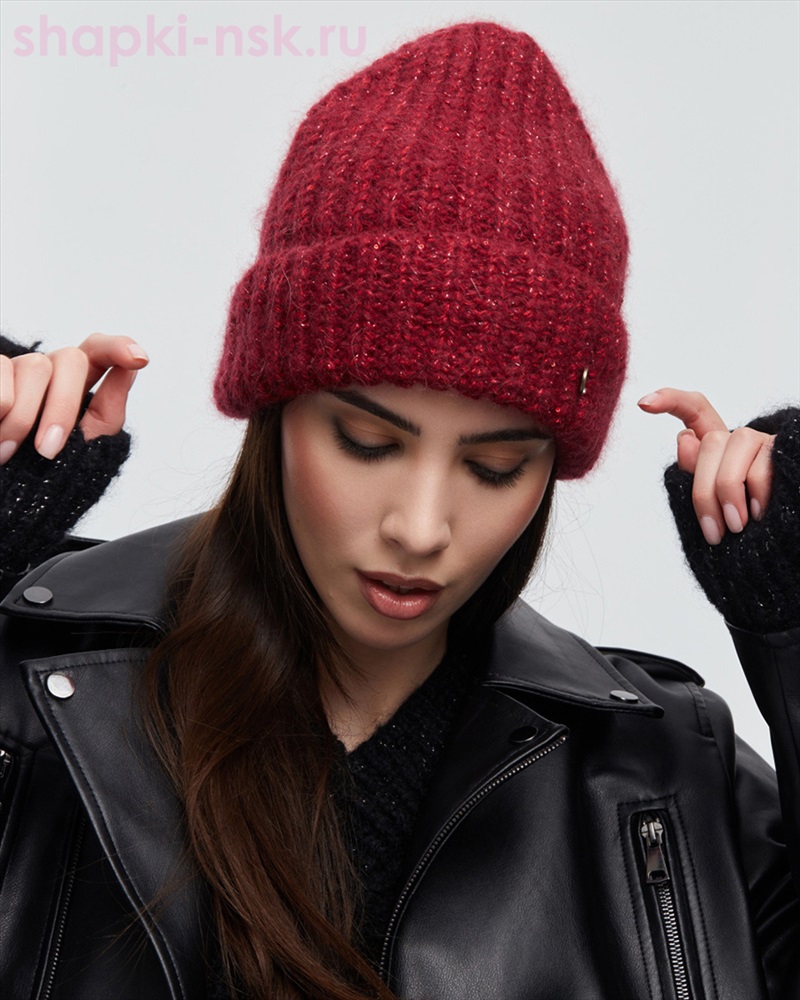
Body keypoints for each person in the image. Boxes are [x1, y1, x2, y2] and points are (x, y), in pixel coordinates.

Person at [0, 21, 798, 1000]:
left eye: (495, 466)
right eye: (367, 443)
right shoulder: (33, 693)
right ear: (276, 411)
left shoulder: (668, 771)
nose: (421, 529)